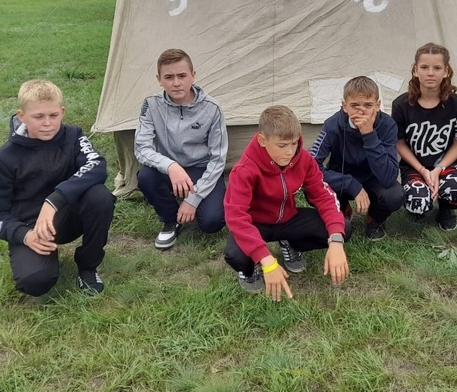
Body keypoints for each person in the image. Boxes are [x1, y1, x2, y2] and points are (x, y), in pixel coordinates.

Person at [0, 80, 114, 296]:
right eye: (38, 117)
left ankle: (88, 267)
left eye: (53, 115)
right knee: (35, 282)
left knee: (100, 196)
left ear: (62, 112)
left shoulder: (74, 136)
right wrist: (24, 235)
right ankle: (40, 259)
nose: (47, 123)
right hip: (31, 226)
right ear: (21, 116)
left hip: (68, 215)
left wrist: (54, 200)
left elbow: (97, 165)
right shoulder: (5, 157)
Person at [223, 105, 351, 300]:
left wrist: (335, 240)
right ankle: (249, 270)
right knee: (235, 255)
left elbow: (324, 195)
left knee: (343, 228)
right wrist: (267, 260)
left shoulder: (304, 159)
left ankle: (290, 243)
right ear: (262, 141)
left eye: (294, 143)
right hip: (256, 224)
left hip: (288, 218)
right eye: (282, 146)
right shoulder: (244, 169)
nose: (290, 151)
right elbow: (235, 216)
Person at [135, 49, 227, 249]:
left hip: (200, 169)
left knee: (212, 222)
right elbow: (141, 147)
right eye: (169, 77)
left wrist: (193, 200)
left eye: (182, 76)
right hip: (168, 169)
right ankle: (170, 219)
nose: (176, 83)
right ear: (159, 79)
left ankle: (190, 202)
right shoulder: (151, 105)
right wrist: (170, 166)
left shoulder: (212, 108)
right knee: (145, 177)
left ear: (193, 75)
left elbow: (218, 159)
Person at [392, 43, 457, 231]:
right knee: (418, 202)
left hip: (446, 165)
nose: (430, 73)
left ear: (446, 71)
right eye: (424, 67)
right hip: (414, 166)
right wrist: (422, 170)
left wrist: (438, 169)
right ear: (415, 70)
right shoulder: (401, 105)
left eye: (437, 68)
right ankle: (418, 207)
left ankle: (446, 209)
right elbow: (399, 143)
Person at [310, 76, 404, 241]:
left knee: (394, 195)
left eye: (368, 105)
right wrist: (350, 184)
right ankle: (342, 208)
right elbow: (311, 167)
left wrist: (369, 134)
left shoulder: (388, 125)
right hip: (342, 178)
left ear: (378, 106)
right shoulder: (332, 125)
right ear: (344, 106)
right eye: (354, 105)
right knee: (312, 190)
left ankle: (375, 218)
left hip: (373, 179)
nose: (361, 111)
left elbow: (389, 176)